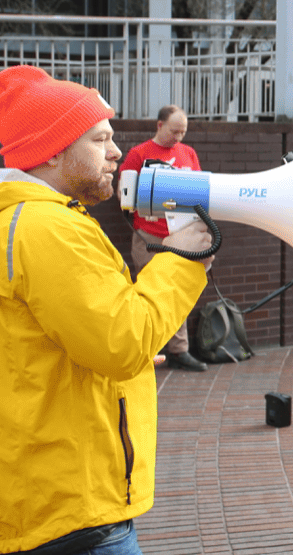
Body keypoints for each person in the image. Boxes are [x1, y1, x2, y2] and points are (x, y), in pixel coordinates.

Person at [0, 66, 211, 555]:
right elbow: (122, 340)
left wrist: (116, 354)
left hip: (18, 508)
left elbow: (31, 349)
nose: (116, 152)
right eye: (99, 139)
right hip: (68, 521)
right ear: (51, 152)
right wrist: (183, 261)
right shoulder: (49, 230)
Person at [118, 104, 207, 371]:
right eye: (174, 131)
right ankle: (149, 352)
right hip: (149, 235)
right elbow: (123, 193)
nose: (178, 137)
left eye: (183, 132)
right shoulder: (139, 154)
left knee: (176, 290)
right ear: (159, 126)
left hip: (181, 235)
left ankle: (179, 350)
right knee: (150, 290)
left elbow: (200, 190)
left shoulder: (188, 153)